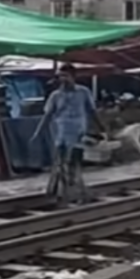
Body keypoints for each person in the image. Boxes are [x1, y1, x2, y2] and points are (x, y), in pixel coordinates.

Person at [42, 70, 96, 202]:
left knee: (74, 164)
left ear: (73, 76)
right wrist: (38, 131)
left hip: (78, 134)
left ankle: (77, 193)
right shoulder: (56, 95)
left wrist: (101, 128)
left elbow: (92, 110)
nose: (63, 79)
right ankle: (59, 193)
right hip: (61, 134)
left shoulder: (83, 92)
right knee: (60, 164)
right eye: (61, 76)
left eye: (66, 75)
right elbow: (48, 114)